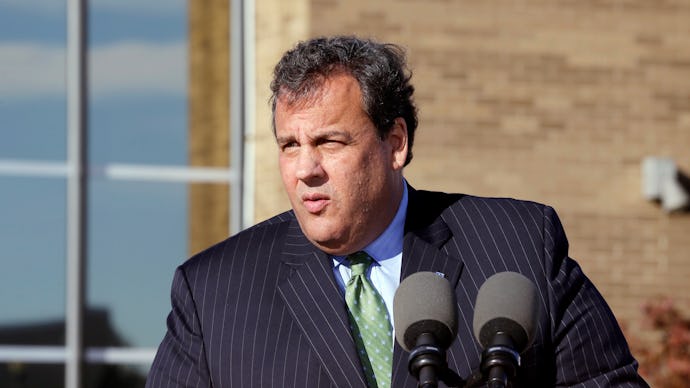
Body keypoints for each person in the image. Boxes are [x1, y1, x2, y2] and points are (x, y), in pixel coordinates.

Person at [146, 36, 647, 387]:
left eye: (329, 142)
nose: (304, 169)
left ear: (395, 142)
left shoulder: (519, 246)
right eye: (289, 146)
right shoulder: (213, 293)